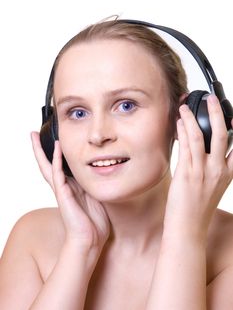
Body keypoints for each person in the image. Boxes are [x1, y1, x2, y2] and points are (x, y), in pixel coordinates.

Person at [0, 17, 233, 310]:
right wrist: (81, 247)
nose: (98, 135)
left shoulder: (228, 252)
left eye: (126, 105)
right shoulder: (32, 238)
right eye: (77, 112)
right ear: (54, 132)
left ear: (184, 118)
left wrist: (184, 235)